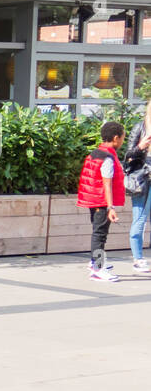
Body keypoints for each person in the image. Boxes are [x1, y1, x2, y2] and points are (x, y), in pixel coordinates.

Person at [76, 120, 126, 282]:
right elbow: (107, 183)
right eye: (123, 137)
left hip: (94, 199)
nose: (123, 141)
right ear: (116, 138)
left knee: (98, 233)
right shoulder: (108, 158)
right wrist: (110, 207)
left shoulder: (96, 153)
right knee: (100, 235)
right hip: (101, 201)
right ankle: (97, 269)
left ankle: (95, 263)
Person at [125, 117, 151, 273]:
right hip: (143, 180)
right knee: (140, 217)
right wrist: (141, 147)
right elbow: (127, 156)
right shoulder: (140, 127)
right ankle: (138, 258)